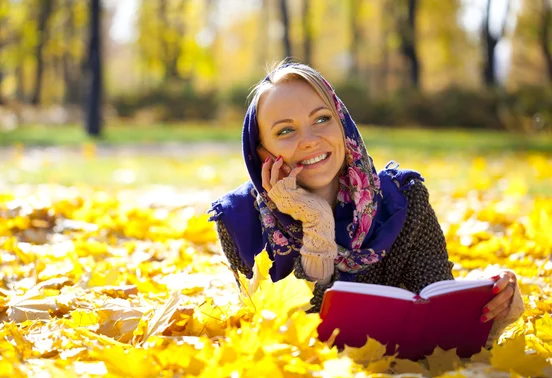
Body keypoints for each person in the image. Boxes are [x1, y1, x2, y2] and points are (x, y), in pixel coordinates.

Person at [207, 61, 524, 346]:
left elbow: (437, 306)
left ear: (342, 125)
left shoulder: (401, 201)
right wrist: (317, 223)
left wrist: (493, 304)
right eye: (286, 130)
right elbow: (297, 335)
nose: (309, 139)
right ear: (263, 154)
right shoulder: (239, 220)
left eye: (321, 119)